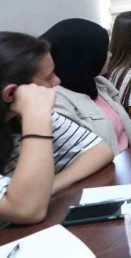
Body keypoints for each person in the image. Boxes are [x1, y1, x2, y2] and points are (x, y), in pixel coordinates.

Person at [0, 32, 114, 225]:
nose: (57, 81)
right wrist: (35, 118)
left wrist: (46, 189)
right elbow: (28, 210)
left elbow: (99, 151)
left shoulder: (28, 113)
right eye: (48, 77)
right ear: (11, 93)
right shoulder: (35, 113)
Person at [41, 19, 131, 155]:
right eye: (105, 49)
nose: (110, 54)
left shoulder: (98, 83)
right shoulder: (56, 101)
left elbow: (127, 127)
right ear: (84, 54)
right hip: (111, 165)